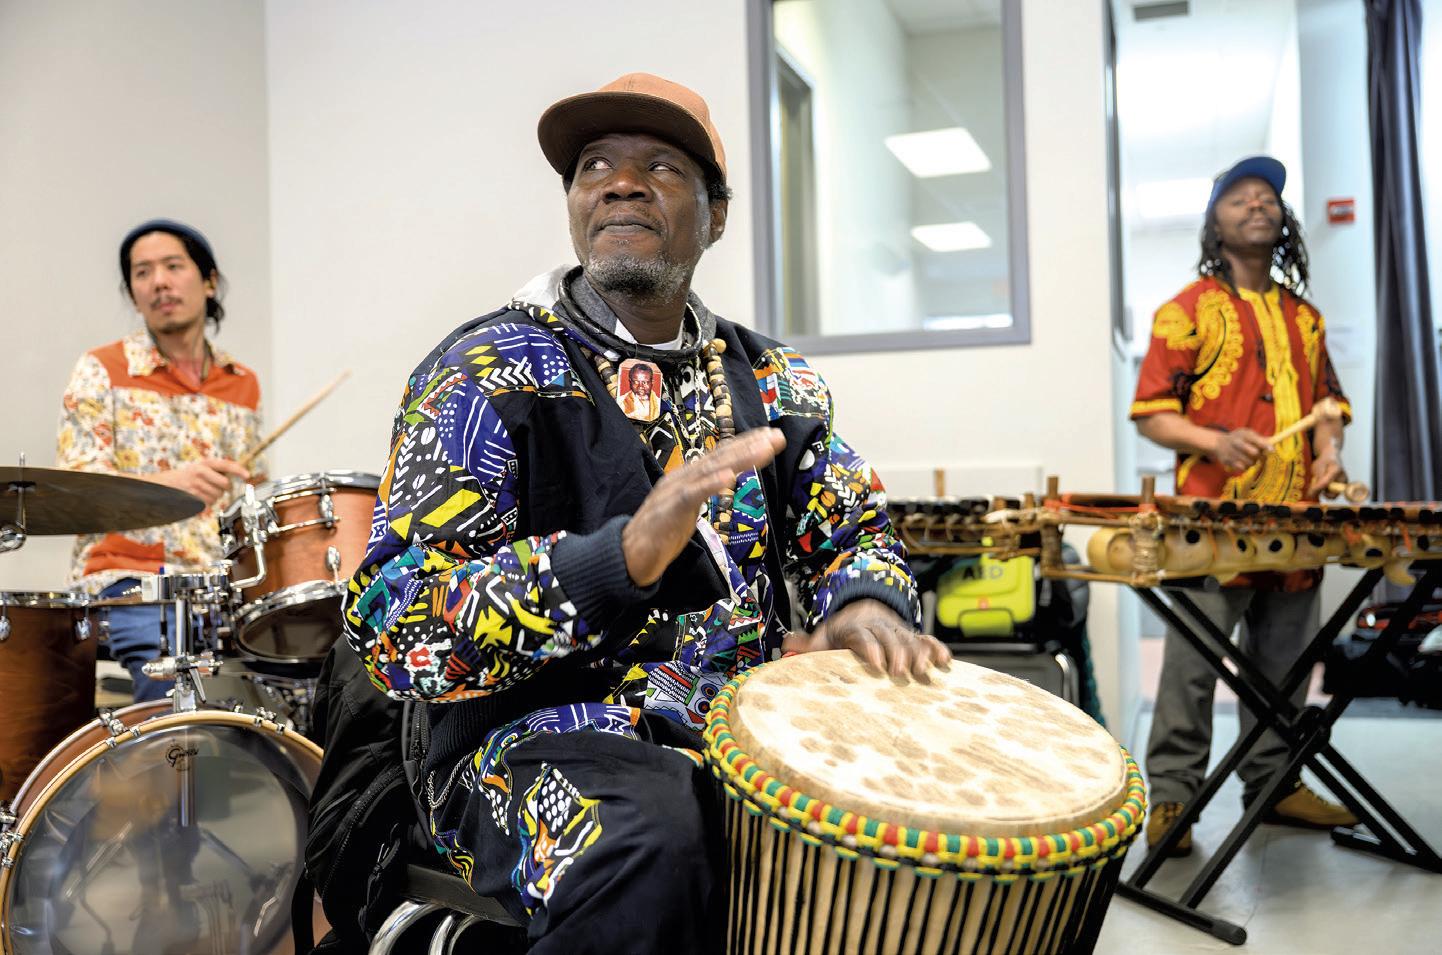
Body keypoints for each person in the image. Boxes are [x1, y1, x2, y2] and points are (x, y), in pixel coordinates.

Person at [342, 72, 948, 953]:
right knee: (657, 838)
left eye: (660, 166)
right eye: (595, 165)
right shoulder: (484, 372)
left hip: (737, 730)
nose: (620, 183)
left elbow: (855, 531)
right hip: (524, 746)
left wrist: (864, 604)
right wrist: (614, 562)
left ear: (716, 213)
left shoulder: (772, 380)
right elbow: (392, 626)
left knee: (914, 817)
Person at [1130, 156, 1358, 856]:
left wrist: (1329, 453)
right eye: (1240, 198)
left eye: (1268, 198)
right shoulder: (1185, 311)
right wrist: (1214, 441)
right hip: (1212, 525)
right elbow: (1151, 412)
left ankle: (1275, 784)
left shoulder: (1306, 319)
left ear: (1283, 220)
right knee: (1191, 670)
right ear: (1215, 222)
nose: (1258, 205)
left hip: (1295, 523)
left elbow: (1328, 407)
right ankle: (1174, 798)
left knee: (1285, 669)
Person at [58, 219, 261, 701]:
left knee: (310, 651)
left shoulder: (242, 382)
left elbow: (248, 499)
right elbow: (73, 489)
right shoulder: (102, 368)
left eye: (173, 266)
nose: (159, 283)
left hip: (217, 584)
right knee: (166, 666)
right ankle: (170, 748)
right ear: (133, 293)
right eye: (142, 272)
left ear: (208, 280)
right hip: (129, 579)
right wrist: (171, 483)